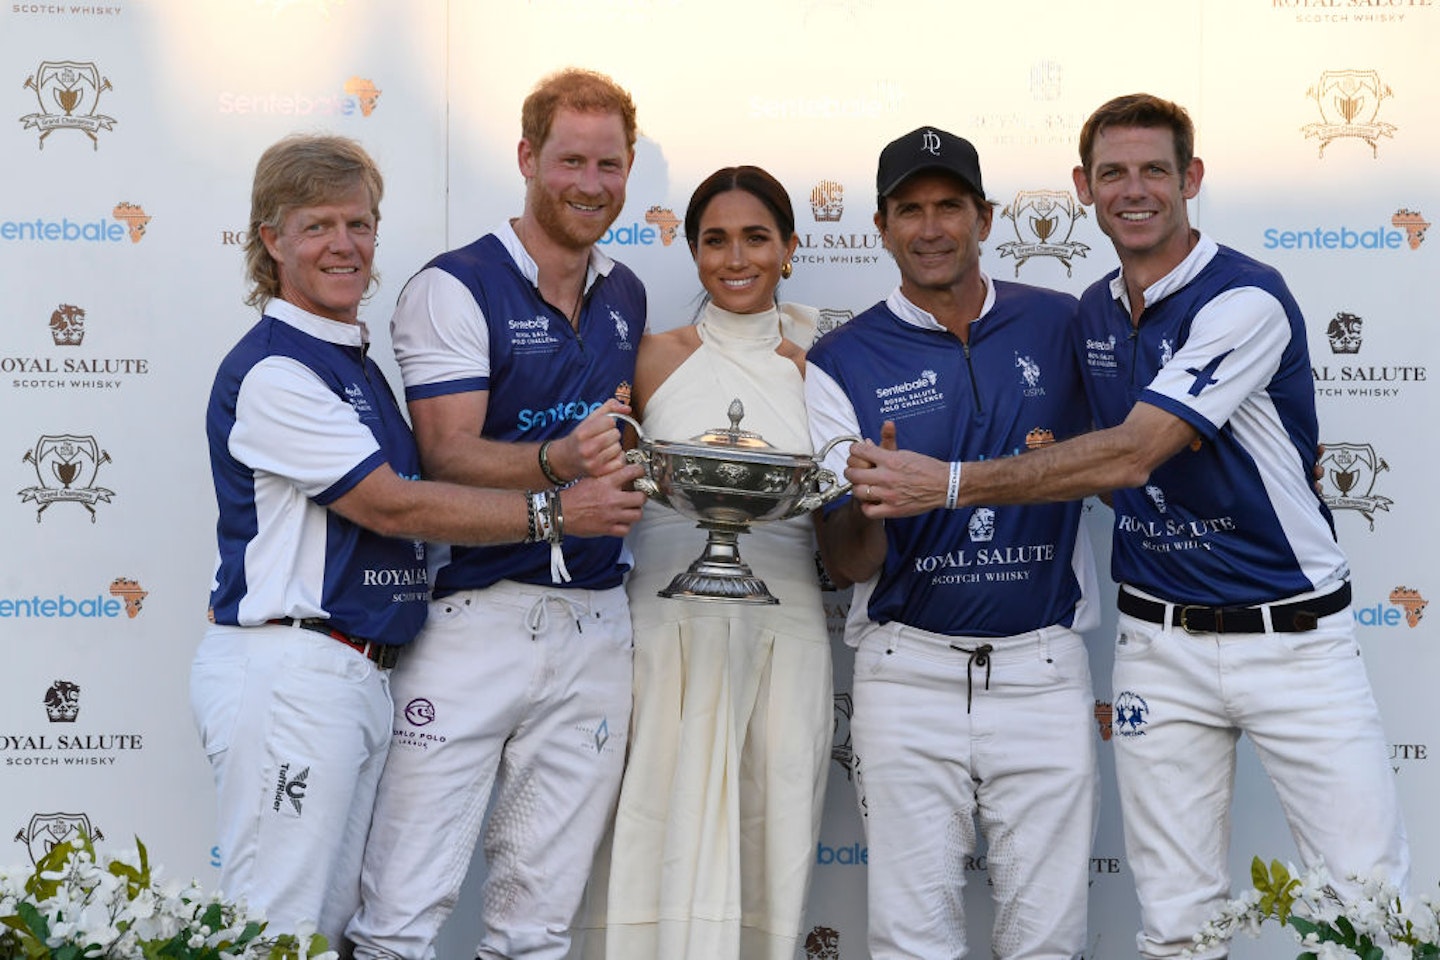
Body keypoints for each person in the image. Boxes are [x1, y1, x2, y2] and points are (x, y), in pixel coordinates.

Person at [844, 94, 1410, 960]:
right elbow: (1081, 458)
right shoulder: (1093, 314)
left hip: (1294, 637)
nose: (1134, 189)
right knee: (1178, 923)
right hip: (1159, 645)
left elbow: (1136, 453)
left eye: (1155, 170)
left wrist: (950, 483)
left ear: (1192, 178)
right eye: (1113, 172)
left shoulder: (1245, 298)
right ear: (1083, 186)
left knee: (1364, 909)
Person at [193, 133, 639, 951]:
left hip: (357, 672)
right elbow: (392, 507)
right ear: (271, 240)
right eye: (318, 225)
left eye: (359, 225)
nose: (345, 245)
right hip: (295, 670)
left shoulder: (349, 360)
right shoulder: (275, 370)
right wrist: (556, 513)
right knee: (275, 933)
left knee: (320, 930)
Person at [345, 68, 649, 960]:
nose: (592, 184)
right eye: (571, 161)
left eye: (611, 164)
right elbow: (447, 453)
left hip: (597, 624)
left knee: (536, 926)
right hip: (476, 616)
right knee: (401, 912)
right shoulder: (455, 284)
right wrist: (563, 474)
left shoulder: (625, 290)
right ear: (526, 157)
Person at [802, 126, 1101, 960]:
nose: (930, 228)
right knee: (910, 940)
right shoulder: (840, 360)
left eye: (949, 207)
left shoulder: (1063, 323)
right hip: (909, 675)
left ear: (986, 217)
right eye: (910, 211)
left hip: (1042, 668)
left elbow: (1130, 449)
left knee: (1050, 939)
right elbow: (845, 562)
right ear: (880, 225)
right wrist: (873, 503)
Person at [585, 166, 832, 960]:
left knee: (771, 828)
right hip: (664, 625)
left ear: (789, 249)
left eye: (756, 237)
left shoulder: (818, 371)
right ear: (691, 252)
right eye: (715, 240)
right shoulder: (651, 358)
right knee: (657, 822)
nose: (736, 258)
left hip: (783, 625)